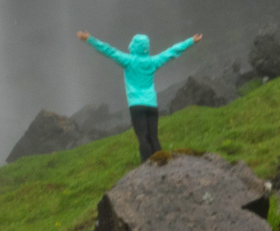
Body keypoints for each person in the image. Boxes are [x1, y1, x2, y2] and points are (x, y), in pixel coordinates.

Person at [78, 29, 202, 161]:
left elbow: (109, 51)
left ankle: (146, 167)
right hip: (152, 105)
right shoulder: (153, 62)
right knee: (153, 137)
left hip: (136, 106)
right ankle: (161, 164)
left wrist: (89, 39)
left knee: (142, 137)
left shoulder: (128, 61)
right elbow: (171, 52)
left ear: (133, 46)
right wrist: (191, 41)